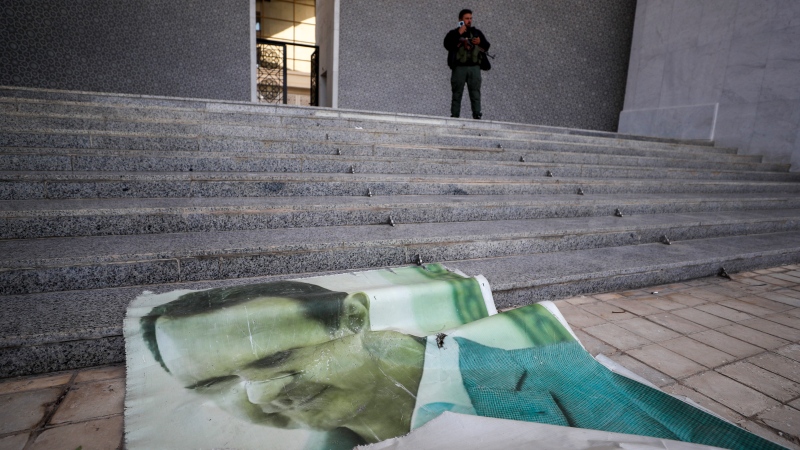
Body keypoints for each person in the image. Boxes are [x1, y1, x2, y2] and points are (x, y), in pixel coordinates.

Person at [141, 282, 785, 450]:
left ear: (356, 318)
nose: (261, 393)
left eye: (278, 355)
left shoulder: (556, 379)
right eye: (215, 383)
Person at [444, 9, 490, 119]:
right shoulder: (453, 33)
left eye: (470, 18)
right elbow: (447, 44)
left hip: (474, 67)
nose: (469, 20)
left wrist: (480, 42)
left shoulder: (477, 33)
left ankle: (477, 114)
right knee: (457, 93)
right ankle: (454, 115)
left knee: (475, 93)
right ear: (460, 20)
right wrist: (459, 33)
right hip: (459, 67)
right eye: (466, 18)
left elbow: (486, 46)